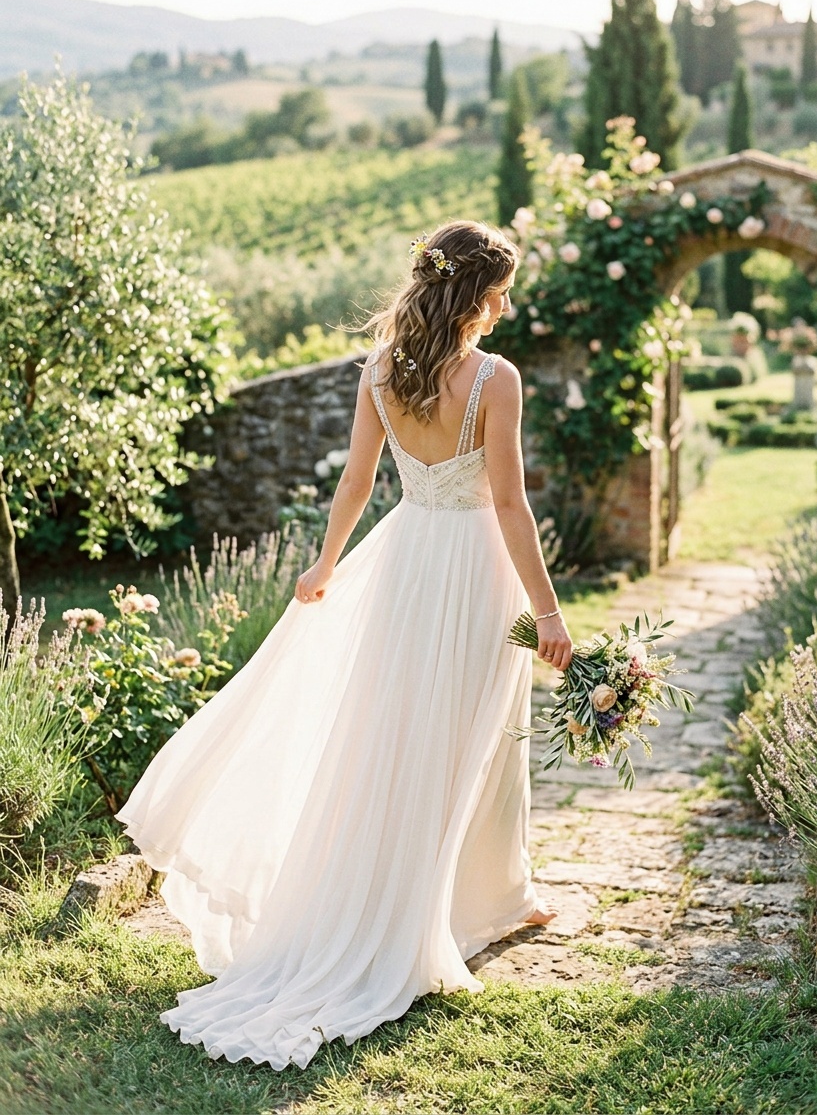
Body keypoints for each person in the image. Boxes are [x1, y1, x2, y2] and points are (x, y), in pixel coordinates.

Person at [115, 219, 574, 1071]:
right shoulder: (494, 378)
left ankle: (495, 894)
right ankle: (466, 905)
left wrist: (327, 562)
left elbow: (358, 480)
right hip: (475, 569)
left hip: (404, 563)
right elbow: (511, 505)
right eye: (502, 291)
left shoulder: (381, 370)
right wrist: (548, 613)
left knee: (398, 735)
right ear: (473, 295)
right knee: (479, 736)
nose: (507, 306)